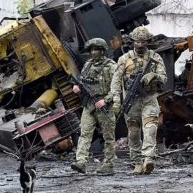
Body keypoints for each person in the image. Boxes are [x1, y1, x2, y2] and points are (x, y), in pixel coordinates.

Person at [110, 26, 167, 175]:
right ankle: (136, 162)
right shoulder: (124, 59)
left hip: (149, 99)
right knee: (133, 133)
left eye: (143, 42)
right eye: (137, 42)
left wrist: (153, 76)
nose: (140, 45)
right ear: (133, 42)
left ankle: (148, 158)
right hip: (131, 101)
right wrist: (116, 101)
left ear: (148, 41)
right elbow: (116, 81)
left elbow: (164, 78)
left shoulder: (156, 58)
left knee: (150, 129)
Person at [70, 38, 117, 175]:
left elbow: (117, 88)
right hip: (89, 105)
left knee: (108, 137)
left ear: (103, 51)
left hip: (105, 106)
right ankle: (81, 162)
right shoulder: (88, 65)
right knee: (84, 134)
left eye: (96, 49)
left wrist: (106, 100)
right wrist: (76, 86)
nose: (93, 52)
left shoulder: (111, 66)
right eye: (92, 50)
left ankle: (109, 165)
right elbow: (81, 80)